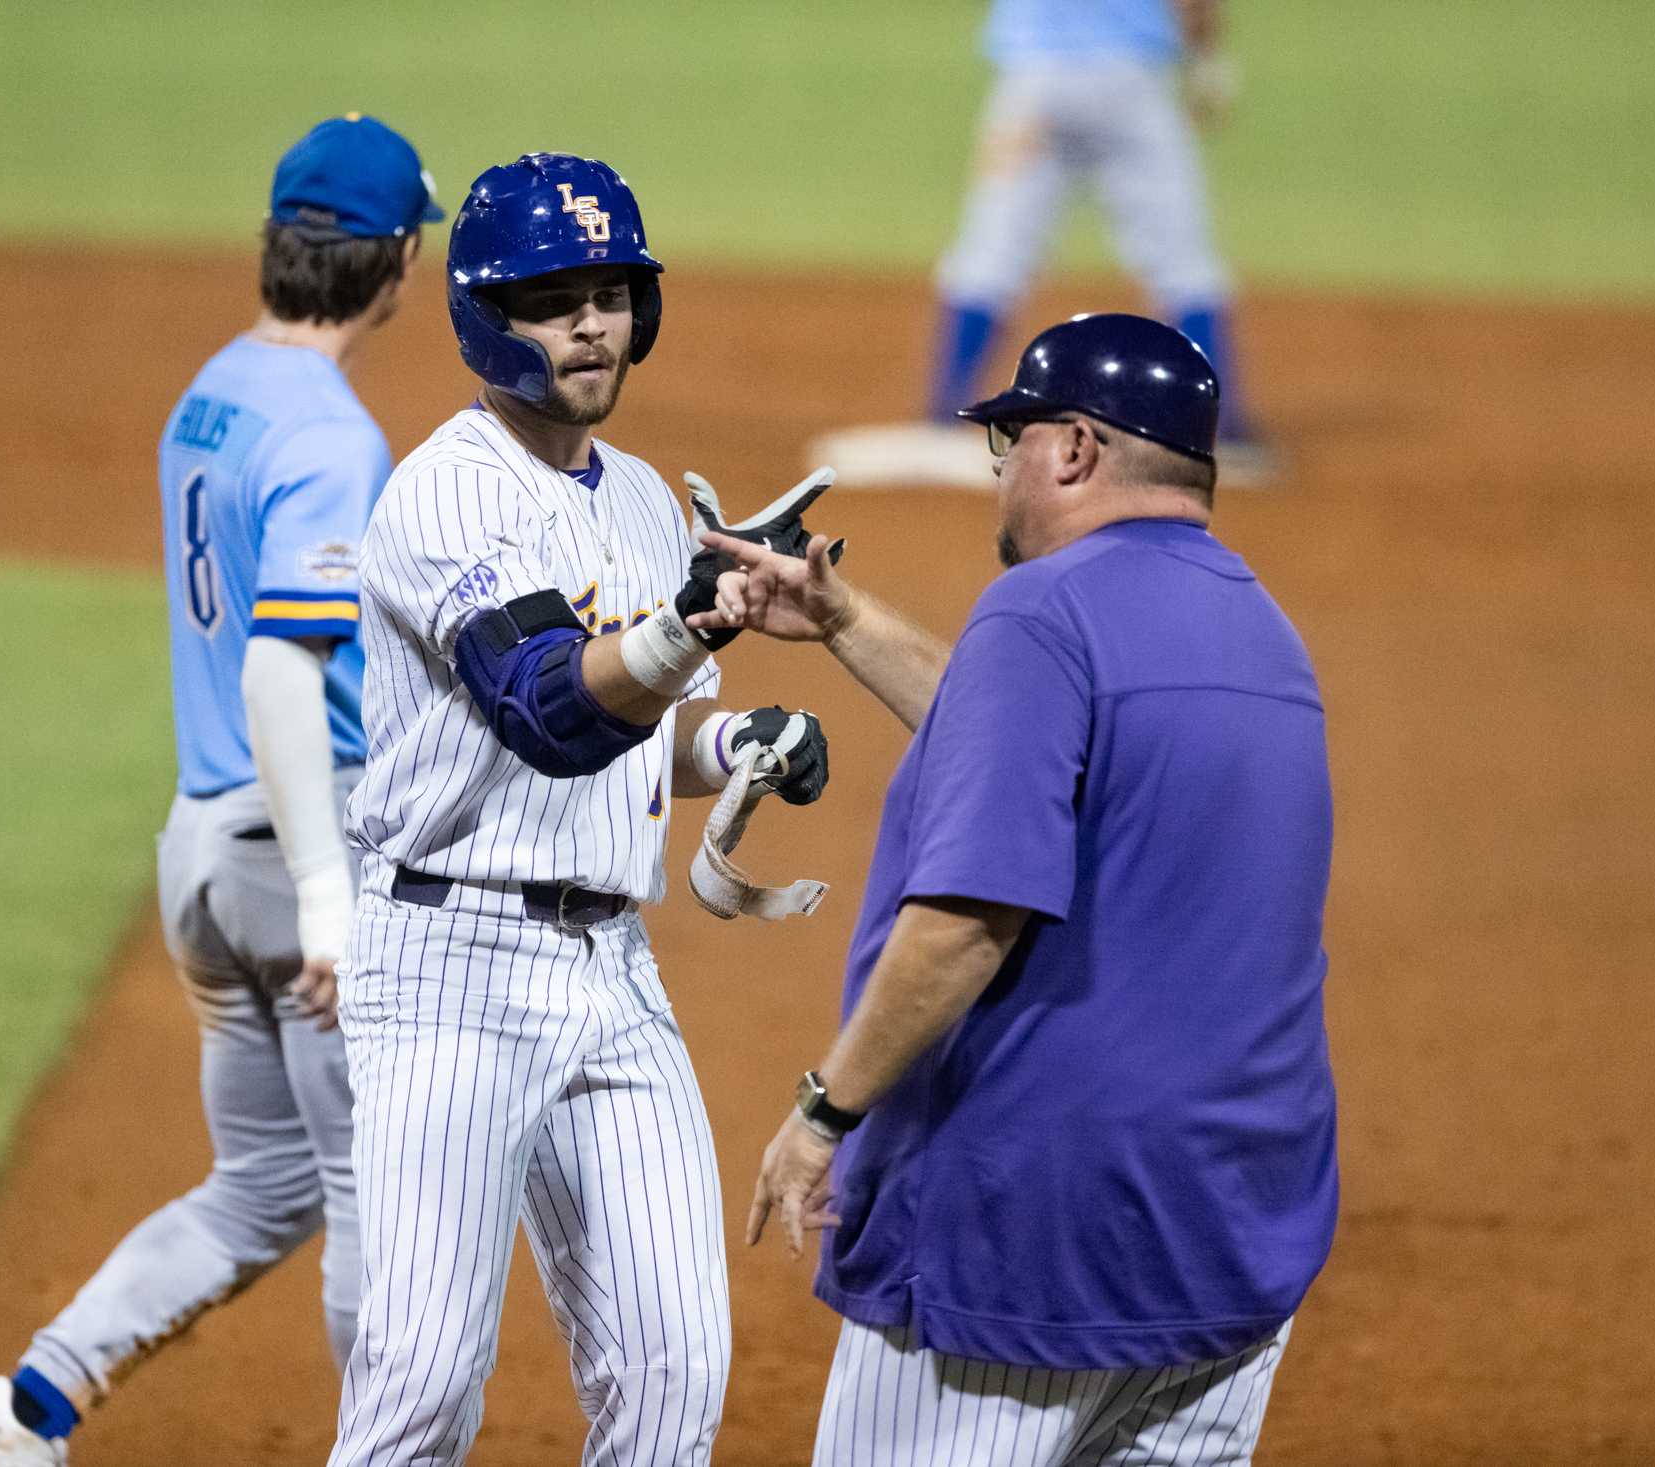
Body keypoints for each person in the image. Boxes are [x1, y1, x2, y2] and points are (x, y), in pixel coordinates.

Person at [704, 313, 1338, 1465]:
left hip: (1034, 1239)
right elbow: (1035, 747)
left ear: (1076, 450)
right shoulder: (1262, 632)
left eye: (1012, 446)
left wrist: (821, 1112)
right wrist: (844, 620)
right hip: (1229, 1236)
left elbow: (963, 924)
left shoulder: (1042, 613)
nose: (999, 478)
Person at [0, 113, 442, 1467]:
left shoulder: (212, 391)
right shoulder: (336, 435)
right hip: (296, 847)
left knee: (262, 1184)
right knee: (374, 1197)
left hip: (202, 852)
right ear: (392, 264)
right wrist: (333, 899)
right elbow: (282, 665)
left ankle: (26, 1405)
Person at [327, 153, 835, 1467]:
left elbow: (635, 737)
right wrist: (693, 622)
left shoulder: (650, 504)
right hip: (446, 968)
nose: (595, 322)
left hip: (613, 967)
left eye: (612, 292)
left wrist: (743, 738)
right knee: (423, 1382)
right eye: (558, 299)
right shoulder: (448, 492)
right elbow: (550, 707)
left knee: (676, 1369)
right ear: (489, 313)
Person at [813, 0, 1275, 489]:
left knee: (990, 254)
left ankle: (941, 418)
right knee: (1183, 261)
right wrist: (1206, 60)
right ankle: (1225, 430)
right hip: (1130, 83)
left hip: (1034, 85)